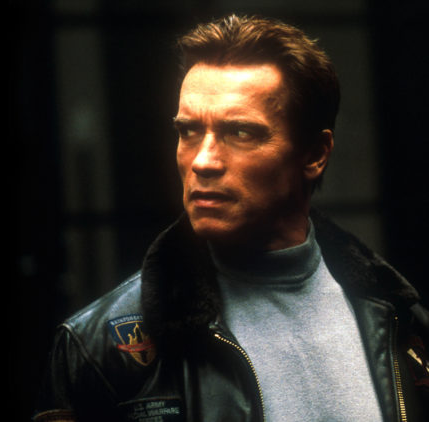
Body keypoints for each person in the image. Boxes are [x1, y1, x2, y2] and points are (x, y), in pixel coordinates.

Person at [33, 14, 429, 422]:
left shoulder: (399, 318)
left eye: (240, 133)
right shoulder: (99, 348)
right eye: (188, 132)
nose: (203, 161)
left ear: (314, 154)